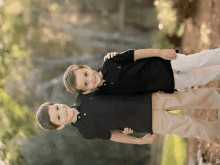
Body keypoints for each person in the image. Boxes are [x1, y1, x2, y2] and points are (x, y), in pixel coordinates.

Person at [36, 87, 220, 145]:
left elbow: (111, 83)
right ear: (59, 126)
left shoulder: (83, 95)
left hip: (150, 99)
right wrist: (139, 141)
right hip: (148, 122)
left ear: (58, 103)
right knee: (191, 126)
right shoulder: (86, 131)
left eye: (58, 108)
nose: (62, 112)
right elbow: (114, 135)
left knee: (193, 97)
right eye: (58, 117)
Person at [63, 48, 220, 95]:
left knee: (198, 61)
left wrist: (160, 52)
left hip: (165, 63)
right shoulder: (107, 93)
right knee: (202, 78)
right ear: (86, 91)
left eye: (85, 74)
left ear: (86, 67)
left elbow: (136, 54)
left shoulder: (110, 62)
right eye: (85, 84)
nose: (90, 79)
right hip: (167, 82)